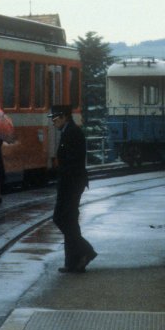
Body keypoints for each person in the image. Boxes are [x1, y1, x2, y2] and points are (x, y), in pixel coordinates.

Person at [50, 104, 97, 273]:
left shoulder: (72, 133)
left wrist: (64, 181)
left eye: (55, 119)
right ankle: (74, 261)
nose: (53, 122)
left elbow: (71, 162)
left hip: (71, 183)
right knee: (69, 221)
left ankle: (86, 251)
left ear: (63, 117)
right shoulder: (68, 131)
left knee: (60, 218)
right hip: (70, 182)